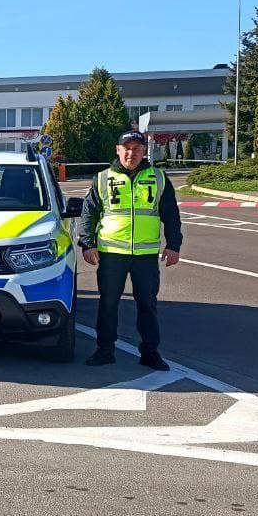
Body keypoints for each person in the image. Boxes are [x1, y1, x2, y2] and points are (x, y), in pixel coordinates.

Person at [78, 131, 183, 371]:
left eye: (136, 148)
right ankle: (105, 350)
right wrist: (87, 243)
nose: (131, 153)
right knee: (108, 303)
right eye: (126, 148)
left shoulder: (158, 178)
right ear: (117, 149)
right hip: (111, 253)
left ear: (144, 152)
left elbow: (171, 215)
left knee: (147, 304)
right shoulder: (103, 178)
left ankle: (150, 352)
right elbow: (89, 213)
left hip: (145, 256)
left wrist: (174, 245)